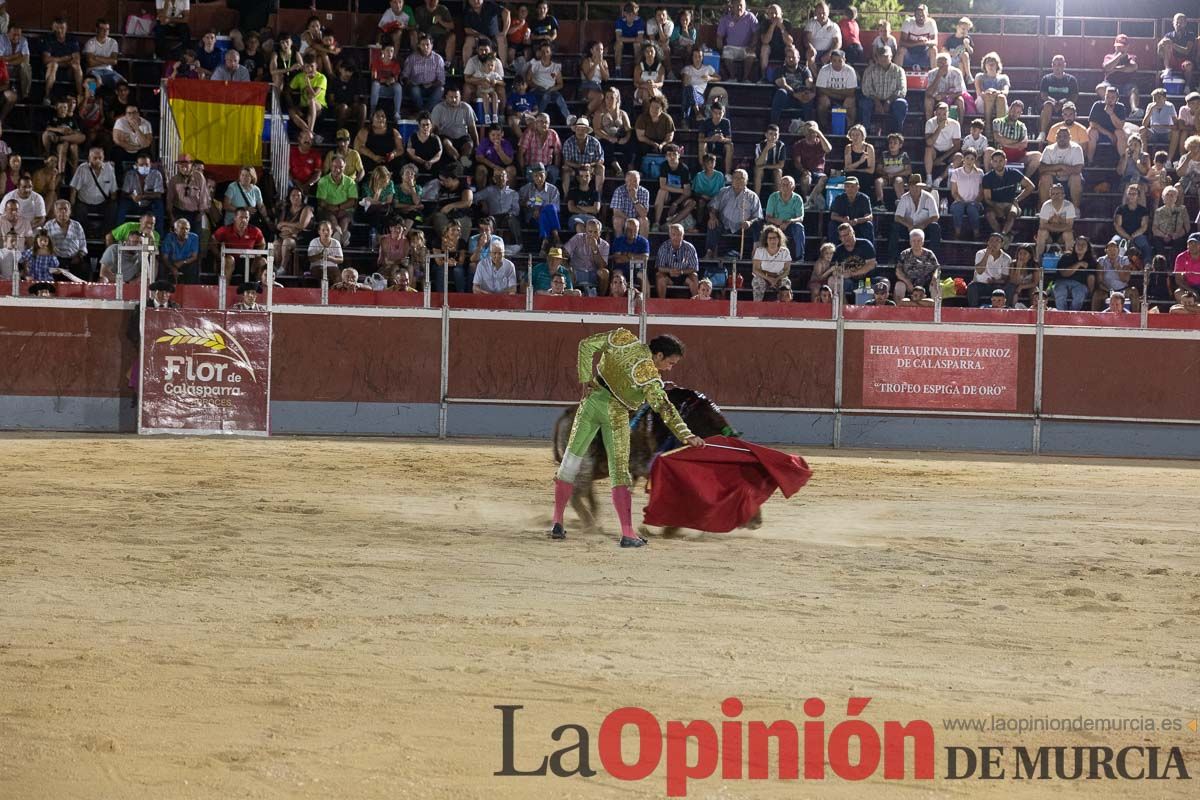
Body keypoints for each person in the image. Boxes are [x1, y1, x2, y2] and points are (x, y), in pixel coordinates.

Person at [550, 329, 702, 547]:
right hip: (616, 414)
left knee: (570, 463)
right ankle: (628, 534)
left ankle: (557, 523)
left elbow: (585, 344)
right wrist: (686, 434)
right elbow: (665, 408)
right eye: (671, 363)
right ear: (658, 355)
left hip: (591, 404)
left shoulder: (623, 338)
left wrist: (585, 379)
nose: (669, 368)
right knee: (620, 472)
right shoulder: (650, 376)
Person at [705, 169, 762, 259]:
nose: (738, 180)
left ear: (746, 181)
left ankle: (755, 253)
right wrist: (712, 217)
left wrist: (749, 222)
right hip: (725, 225)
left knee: (757, 225)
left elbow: (758, 216)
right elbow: (713, 207)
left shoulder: (752, 196)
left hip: (743, 227)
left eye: (741, 178)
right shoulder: (723, 192)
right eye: (735, 178)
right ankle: (710, 252)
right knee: (713, 223)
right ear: (732, 179)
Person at [981, 150, 1034, 239]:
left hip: (1011, 204)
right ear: (991, 163)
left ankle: (1003, 235)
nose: (998, 163)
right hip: (995, 204)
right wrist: (997, 206)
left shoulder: (1013, 173)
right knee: (989, 215)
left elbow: (1030, 186)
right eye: (995, 161)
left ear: (1005, 161)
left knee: (1012, 212)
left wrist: (1017, 199)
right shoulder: (987, 178)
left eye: (1001, 161)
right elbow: (987, 198)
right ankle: (1001, 236)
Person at [888, 175, 941, 262]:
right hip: (908, 229)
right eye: (912, 186)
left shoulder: (929, 197)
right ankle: (892, 258)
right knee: (895, 227)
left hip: (924, 229)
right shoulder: (904, 198)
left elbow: (935, 216)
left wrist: (923, 225)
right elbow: (897, 217)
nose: (915, 189)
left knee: (935, 227)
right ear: (909, 187)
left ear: (921, 187)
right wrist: (909, 225)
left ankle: (933, 259)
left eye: (917, 186)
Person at [857, 46, 907, 137]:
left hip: (893, 100)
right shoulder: (870, 70)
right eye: (880, 56)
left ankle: (897, 134)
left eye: (886, 56)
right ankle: (865, 133)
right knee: (864, 103)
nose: (883, 58)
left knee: (901, 104)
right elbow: (866, 89)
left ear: (891, 57)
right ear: (876, 58)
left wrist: (888, 101)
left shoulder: (899, 71)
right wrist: (876, 102)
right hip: (873, 99)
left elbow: (902, 90)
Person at [212, 207, 267, 284]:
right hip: (230, 262)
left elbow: (262, 244)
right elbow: (212, 242)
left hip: (249, 262)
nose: (244, 220)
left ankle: (258, 289)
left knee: (262, 261)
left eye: (246, 218)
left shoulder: (255, 231)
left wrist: (257, 255)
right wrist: (219, 256)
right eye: (241, 217)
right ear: (235, 218)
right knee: (229, 260)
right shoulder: (225, 230)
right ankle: (225, 291)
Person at [315, 155, 358, 245]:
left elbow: (352, 201)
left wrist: (338, 208)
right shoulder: (323, 181)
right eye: (335, 167)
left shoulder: (350, 182)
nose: (337, 170)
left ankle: (338, 238)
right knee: (332, 219)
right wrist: (332, 208)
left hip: (345, 210)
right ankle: (342, 238)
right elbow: (321, 202)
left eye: (340, 167)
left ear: (344, 167)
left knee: (345, 220)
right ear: (331, 166)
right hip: (328, 210)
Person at [118, 152, 165, 233]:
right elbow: (124, 193)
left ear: (151, 164)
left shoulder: (156, 174)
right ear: (136, 165)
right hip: (133, 203)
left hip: (150, 204)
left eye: (147, 164)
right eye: (141, 164)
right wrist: (132, 196)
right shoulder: (130, 174)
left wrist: (143, 196)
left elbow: (158, 194)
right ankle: (119, 232)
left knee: (159, 205)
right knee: (122, 205)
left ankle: (159, 234)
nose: (144, 167)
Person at [1038, 125, 1085, 206]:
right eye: (1059, 136)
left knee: (1076, 177)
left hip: (1070, 180)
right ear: (1056, 138)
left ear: (1070, 137)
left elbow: (1077, 169)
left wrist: (1055, 171)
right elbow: (1042, 168)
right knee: (1044, 177)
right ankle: (1044, 208)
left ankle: (1076, 209)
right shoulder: (1048, 149)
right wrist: (1060, 166)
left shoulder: (1077, 148)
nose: (1062, 138)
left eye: (1065, 136)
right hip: (1053, 179)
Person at [430, 87, 480, 163]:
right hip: (445, 136)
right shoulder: (438, 108)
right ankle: (460, 163)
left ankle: (461, 163)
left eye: (456, 97)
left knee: (469, 145)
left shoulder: (466, 107)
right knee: (446, 143)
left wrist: (477, 146)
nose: (454, 100)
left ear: (460, 97)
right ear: (446, 97)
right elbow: (434, 128)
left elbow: (472, 128)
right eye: (451, 97)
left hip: (462, 136)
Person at [767, 46, 813, 128]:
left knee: (807, 96)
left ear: (798, 58)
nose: (791, 59)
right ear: (785, 58)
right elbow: (782, 84)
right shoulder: (780, 70)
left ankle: (809, 128)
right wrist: (795, 94)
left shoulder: (804, 70)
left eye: (793, 57)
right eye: (789, 57)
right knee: (781, 92)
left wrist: (806, 92)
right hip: (786, 99)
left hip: (801, 99)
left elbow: (809, 84)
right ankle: (773, 127)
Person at [764, 174, 805, 263]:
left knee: (799, 227)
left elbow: (800, 218)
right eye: (783, 184)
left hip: (791, 224)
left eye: (788, 184)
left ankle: (799, 258)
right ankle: (768, 256)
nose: (785, 187)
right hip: (775, 223)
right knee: (767, 228)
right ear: (779, 186)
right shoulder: (773, 197)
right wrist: (777, 221)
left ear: (793, 187)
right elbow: (767, 217)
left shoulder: (797, 199)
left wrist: (789, 221)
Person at [652, 145, 694, 231]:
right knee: (661, 191)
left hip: (681, 198)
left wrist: (676, 203)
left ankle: (670, 224)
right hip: (668, 195)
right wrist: (681, 190)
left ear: (679, 155)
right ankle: (656, 223)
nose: (672, 157)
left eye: (674, 154)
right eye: (669, 154)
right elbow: (662, 185)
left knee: (692, 203)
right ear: (666, 156)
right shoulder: (664, 166)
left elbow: (688, 192)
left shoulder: (684, 168)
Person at [968, 232, 1016, 307]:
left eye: (997, 241)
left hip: (997, 285)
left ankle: (1006, 308)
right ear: (988, 242)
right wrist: (987, 254)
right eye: (992, 240)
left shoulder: (1006, 258)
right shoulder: (980, 253)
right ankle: (974, 310)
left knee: (1010, 287)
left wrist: (995, 281)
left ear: (1002, 244)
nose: (994, 243)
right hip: (981, 285)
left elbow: (1005, 278)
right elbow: (979, 271)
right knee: (972, 287)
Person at [526, 42, 570, 123]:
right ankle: (538, 116)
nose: (545, 54)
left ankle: (568, 118)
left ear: (550, 53)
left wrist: (552, 88)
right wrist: (536, 86)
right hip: (538, 90)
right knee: (546, 96)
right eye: (543, 52)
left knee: (559, 98)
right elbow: (528, 79)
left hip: (551, 90)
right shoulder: (535, 64)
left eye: (547, 52)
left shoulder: (555, 67)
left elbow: (560, 84)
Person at [1038, 55, 1079, 141]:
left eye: (1060, 64)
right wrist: (1053, 101)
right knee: (1047, 105)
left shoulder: (1071, 80)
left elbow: (1074, 97)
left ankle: (1071, 135)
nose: (1057, 67)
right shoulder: (1046, 79)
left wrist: (1063, 102)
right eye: (1055, 64)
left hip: (1066, 105)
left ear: (1064, 65)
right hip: (1051, 105)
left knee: (1070, 108)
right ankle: (1042, 134)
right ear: (1052, 65)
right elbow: (1043, 95)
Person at [831, 222, 876, 299]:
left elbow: (872, 264)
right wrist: (841, 274)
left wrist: (852, 273)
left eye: (847, 234)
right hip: (848, 282)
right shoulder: (838, 250)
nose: (845, 238)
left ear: (853, 233)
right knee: (832, 280)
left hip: (868, 280)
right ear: (840, 238)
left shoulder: (865, 244)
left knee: (885, 283)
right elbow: (834, 270)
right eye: (842, 236)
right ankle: (844, 308)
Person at [815, 49, 858, 131]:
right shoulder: (824, 70)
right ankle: (824, 127)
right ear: (830, 60)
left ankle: (850, 127)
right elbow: (820, 90)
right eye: (834, 60)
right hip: (829, 97)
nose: (837, 63)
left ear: (844, 60)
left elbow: (851, 92)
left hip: (844, 97)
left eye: (840, 61)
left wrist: (830, 90)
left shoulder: (850, 70)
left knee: (850, 101)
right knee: (823, 101)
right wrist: (840, 92)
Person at [716, 0, 758, 82]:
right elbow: (719, 36)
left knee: (751, 54)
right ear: (732, 7)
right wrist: (720, 50)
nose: (739, 7)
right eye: (737, 5)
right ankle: (733, 77)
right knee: (726, 53)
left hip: (746, 47)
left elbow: (756, 33)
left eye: (741, 5)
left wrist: (752, 46)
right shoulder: (725, 19)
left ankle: (745, 78)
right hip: (730, 47)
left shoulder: (750, 17)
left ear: (745, 6)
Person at [564, 217, 609, 294]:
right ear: (586, 231)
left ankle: (601, 298)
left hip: (593, 272)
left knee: (605, 273)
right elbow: (565, 252)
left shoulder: (605, 245)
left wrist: (595, 249)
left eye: (595, 232)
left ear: (600, 233)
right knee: (568, 271)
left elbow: (602, 265)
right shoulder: (578, 238)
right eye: (590, 231)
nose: (592, 235)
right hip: (577, 271)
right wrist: (567, 265)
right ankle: (570, 296)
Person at [654, 223, 699, 298]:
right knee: (659, 276)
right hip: (668, 275)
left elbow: (694, 268)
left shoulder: (690, 248)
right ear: (670, 235)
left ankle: (697, 304)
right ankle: (661, 303)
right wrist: (670, 270)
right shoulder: (664, 247)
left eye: (679, 235)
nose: (676, 237)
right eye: (673, 234)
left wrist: (681, 272)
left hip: (684, 275)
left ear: (683, 235)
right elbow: (660, 267)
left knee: (694, 276)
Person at [1113, 183, 1153, 266]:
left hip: (1138, 235)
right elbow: (1117, 226)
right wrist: (1127, 237)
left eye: (1134, 194)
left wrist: (1133, 236)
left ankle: (1147, 266)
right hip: (1122, 235)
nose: (1131, 196)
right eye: (1129, 194)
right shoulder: (1120, 209)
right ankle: (1114, 265)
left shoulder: (1143, 210)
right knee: (1113, 242)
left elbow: (1144, 226)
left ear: (1138, 196)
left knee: (1146, 245)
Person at [403, 34, 445, 113]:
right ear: (419, 45)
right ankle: (424, 113)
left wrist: (432, 84)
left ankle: (423, 113)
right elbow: (404, 76)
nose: (425, 47)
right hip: (416, 86)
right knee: (414, 90)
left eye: (427, 45)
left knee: (441, 89)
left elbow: (441, 80)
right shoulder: (412, 58)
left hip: (432, 87)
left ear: (432, 45)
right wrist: (411, 83)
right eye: (423, 45)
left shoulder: (438, 59)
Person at [894, 227, 939, 301]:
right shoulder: (904, 254)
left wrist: (934, 277)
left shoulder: (929, 254)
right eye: (913, 241)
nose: (916, 243)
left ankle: (936, 310)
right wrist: (907, 282)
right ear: (910, 242)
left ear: (923, 242)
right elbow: (898, 271)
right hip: (909, 286)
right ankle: (898, 309)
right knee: (899, 285)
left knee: (936, 285)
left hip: (926, 286)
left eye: (919, 241)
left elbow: (937, 268)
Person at [1087, 84, 1128, 163]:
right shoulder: (1097, 105)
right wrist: (1109, 134)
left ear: (1117, 99)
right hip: (1100, 133)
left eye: (1113, 98)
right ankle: (1090, 161)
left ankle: (1123, 162)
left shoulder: (1120, 107)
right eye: (1107, 97)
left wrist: (1111, 114)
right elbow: (1092, 124)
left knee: (1120, 133)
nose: (1109, 100)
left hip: (1115, 133)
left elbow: (1120, 126)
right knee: (1091, 132)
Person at [923, 101, 961, 186]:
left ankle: (939, 179)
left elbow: (957, 146)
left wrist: (941, 159)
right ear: (935, 113)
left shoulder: (955, 124)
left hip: (949, 151)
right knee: (928, 149)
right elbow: (929, 142)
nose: (942, 117)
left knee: (959, 157)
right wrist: (939, 128)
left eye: (944, 114)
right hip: (935, 151)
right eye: (939, 114)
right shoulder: (930, 123)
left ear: (948, 113)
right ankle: (929, 178)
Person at [1095, 236, 1138, 311]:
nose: (1112, 251)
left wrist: (1118, 268)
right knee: (1097, 294)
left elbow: (1126, 279)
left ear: (1118, 250)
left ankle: (1136, 318)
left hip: (1123, 290)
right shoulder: (1101, 260)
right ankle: (1094, 318)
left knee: (1134, 291)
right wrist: (1109, 291)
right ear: (1106, 250)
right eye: (1110, 249)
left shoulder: (1124, 260)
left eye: (1114, 248)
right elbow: (1100, 281)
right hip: (1107, 290)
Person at [948, 147, 983, 240]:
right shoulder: (956, 172)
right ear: (963, 159)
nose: (969, 161)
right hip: (959, 201)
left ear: (975, 160)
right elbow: (954, 192)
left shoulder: (980, 173)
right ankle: (957, 233)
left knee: (972, 209)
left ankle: (976, 233)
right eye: (967, 158)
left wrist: (975, 201)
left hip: (974, 202)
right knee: (958, 208)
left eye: (972, 159)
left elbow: (981, 191)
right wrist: (961, 201)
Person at [1055, 235, 1098, 310]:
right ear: (1074, 246)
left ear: (1088, 248)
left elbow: (1091, 277)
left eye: (1083, 244)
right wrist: (1078, 264)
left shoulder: (1091, 261)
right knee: (1060, 291)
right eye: (1078, 244)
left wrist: (1091, 293)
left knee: (1079, 293)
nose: (1080, 246)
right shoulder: (1066, 257)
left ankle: (1073, 316)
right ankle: (1061, 315)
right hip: (1062, 282)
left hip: (1080, 285)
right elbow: (1064, 273)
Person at [1035, 182, 1076, 259]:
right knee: (1041, 233)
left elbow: (1069, 227)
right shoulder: (1046, 205)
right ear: (1050, 195)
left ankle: (1069, 260)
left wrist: (1052, 224)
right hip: (1049, 236)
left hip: (1062, 236)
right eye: (1053, 194)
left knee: (1068, 234)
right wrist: (1062, 223)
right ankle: (1038, 261)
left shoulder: (1069, 206)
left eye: (1058, 193)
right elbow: (1042, 225)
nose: (1055, 196)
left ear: (1063, 195)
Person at [751, 224, 791, 301]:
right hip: (764, 277)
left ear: (779, 239)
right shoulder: (760, 251)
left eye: (775, 238)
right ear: (766, 239)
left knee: (786, 283)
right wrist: (769, 279)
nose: (772, 240)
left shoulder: (785, 252)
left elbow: (787, 270)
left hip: (779, 277)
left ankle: (785, 306)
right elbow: (755, 269)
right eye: (770, 238)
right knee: (757, 281)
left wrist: (776, 279)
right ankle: (757, 306)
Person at [827, 175, 873, 243]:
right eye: (847, 186)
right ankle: (834, 250)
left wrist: (857, 220)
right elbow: (833, 216)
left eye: (852, 186)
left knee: (868, 225)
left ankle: (868, 251)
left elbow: (869, 216)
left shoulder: (864, 198)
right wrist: (843, 220)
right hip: (843, 225)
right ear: (845, 188)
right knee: (832, 225)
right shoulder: (839, 198)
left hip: (859, 225)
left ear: (858, 187)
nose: (850, 189)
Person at [1103, 33, 1139, 115]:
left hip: (1126, 84)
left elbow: (1133, 67)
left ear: (1127, 46)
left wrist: (1114, 69)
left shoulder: (1131, 57)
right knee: (1100, 88)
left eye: (1123, 46)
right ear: (1115, 45)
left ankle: (1134, 110)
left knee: (1134, 90)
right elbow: (1107, 67)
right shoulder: (1108, 57)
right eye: (1118, 46)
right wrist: (1119, 56)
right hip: (1110, 84)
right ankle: (1110, 108)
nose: (1120, 48)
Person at [923, 53, 967, 121]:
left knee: (960, 100)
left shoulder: (956, 72)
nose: (942, 65)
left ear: (948, 64)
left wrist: (945, 96)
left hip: (952, 98)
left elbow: (960, 92)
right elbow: (928, 93)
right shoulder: (932, 73)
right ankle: (929, 125)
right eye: (939, 63)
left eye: (944, 63)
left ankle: (960, 127)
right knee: (928, 100)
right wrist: (938, 76)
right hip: (936, 98)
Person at [609, 217, 651, 286]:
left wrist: (628, 255)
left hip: (637, 269)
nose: (632, 232)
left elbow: (645, 258)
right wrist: (636, 257)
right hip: (621, 268)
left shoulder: (643, 242)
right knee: (617, 275)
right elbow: (617, 259)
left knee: (643, 276)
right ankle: (614, 296)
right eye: (629, 230)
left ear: (638, 229)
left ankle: (646, 296)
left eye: (635, 230)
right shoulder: (618, 240)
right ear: (625, 230)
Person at [897, 4, 938, 72]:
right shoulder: (908, 22)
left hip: (924, 56)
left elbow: (935, 42)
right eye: (918, 15)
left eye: (923, 15)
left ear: (927, 15)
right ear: (914, 15)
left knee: (933, 49)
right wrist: (918, 43)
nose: (921, 18)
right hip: (909, 55)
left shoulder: (931, 22)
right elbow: (901, 42)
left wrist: (925, 42)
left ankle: (934, 74)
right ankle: (897, 74)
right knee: (901, 50)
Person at [698, 101, 734, 175]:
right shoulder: (705, 122)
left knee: (730, 146)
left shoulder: (726, 122)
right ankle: (703, 171)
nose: (717, 116)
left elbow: (729, 139)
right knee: (701, 145)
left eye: (720, 113)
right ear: (711, 112)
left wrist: (722, 139)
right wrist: (711, 139)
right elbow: (700, 139)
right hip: (709, 146)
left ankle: (727, 174)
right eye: (715, 113)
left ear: (723, 113)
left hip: (721, 146)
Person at [160, 216, 200, 284]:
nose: (185, 231)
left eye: (187, 229)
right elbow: (165, 257)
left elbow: (194, 257)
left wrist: (182, 262)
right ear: (175, 230)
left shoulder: (194, 237)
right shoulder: (169, 237)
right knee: (162, 267)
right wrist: (172, 268)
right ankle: (163, 290)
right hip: (171, 263)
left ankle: (190, 290)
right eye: (182, 228)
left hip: (186, 263)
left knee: (193, 267)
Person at [612, 2, 646, 78]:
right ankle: (617, 70)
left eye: (634, 14)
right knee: (619, 44)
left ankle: (636, 70)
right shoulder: (619, 21)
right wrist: (634, 39)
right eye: (629, 14)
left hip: (634, 46)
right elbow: (618, 38)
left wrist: (627, 39)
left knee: (637, 45)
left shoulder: (640, 21)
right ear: (624, 13)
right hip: (623, 46)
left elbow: (640, 39)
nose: (632, 16)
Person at [754, 124, 787, 195]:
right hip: (762, 172)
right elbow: (758, 164)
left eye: (776, 134)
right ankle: (756, 199)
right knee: (758, 170)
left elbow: (781, 165)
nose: (773, 137)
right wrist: (766, 149)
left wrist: (766, 166)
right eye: (771, 134)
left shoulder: (781, 146)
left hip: (773, 171)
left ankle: (777, 199)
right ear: (766, 135)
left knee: (778, 171)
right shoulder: (759, 145)